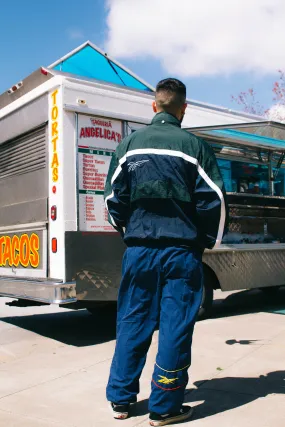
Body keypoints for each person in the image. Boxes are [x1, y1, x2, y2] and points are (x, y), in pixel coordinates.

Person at [104, 78, 228, 426]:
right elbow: (213, 201)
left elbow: (114, 200)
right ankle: (164, 407)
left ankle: (121, 399)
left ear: (154, 106)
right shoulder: (195, 147)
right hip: (180, 251)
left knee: (132, 320)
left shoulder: (129, 145)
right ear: (183, 108)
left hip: (140, 249)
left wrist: (131, 232)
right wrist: (204, 241)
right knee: (175, 325)